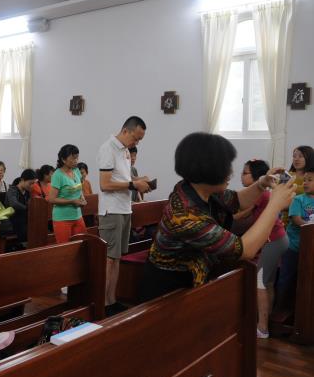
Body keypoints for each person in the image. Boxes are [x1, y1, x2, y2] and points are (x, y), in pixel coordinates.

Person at [139, 132, 295, 304]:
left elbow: (238, 200)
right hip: (168, 290)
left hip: (193, 279)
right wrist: (274, 205)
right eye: (225, 167)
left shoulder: (201, 189)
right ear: (206, 171)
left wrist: (261, 184)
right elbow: (245, 249)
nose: (231, 173)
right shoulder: (184, 216)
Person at [97, 116, 150, 315]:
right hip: (111, 210)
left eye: (140, 140)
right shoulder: (108, 148)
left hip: (124, 208)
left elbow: (123, 178)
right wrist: (133, 184)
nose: (136, 143)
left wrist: (139, 180)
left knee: (117, 258)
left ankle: (112, 300)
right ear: (126, 131)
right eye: (136, 138)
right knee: (109, 259)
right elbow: (105, 184)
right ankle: (103, 303)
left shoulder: (125, 150)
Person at [238, 159, 289, 338]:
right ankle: (265, 319)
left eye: (245, 173)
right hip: (280, 240)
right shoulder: (264, 194)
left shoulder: (259, 195)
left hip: (273, 241)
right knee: (267, 282)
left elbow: (240, 215)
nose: (241, 176)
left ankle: (262, 328)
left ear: (257, 177)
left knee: (259, 281)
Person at [277, 167, 314, 309]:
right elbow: (297, 219)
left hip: (309, 249)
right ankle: (279, 308)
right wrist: (310, 227)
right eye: (304, 180)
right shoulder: (298, 199)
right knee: (286, 278)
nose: (305, 183)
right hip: (293, 247)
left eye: (310, 180)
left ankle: (300, 309)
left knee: (305, 280)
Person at [49, 145, 87, 244]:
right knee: (65, 249)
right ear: (63, 159)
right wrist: (72, 201)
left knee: (82, 245)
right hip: (62, 218)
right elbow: (51, 199)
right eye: (73, 158)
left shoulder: (76, 170)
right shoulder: (57, 175)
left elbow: (79, 188)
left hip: (77, 216)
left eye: (77, 157)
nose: (76, 161)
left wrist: (82, 198)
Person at [281, 146, 314, 225]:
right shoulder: (286, 175)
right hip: (287, 222)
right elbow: (280, 199)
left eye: (300, 156)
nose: (296, 159)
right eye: (294, 156)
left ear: (310, 158)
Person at [5, 169, 37, 244]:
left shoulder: (27, 192)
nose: (32, 186)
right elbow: (14, 204)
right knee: (23, 222)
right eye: (30, 183)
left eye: (33, 183)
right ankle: (25, 244)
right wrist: (28, 208)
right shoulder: (13, 190)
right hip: (12, 220)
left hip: (23, 219)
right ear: (22, 180)